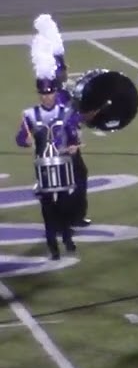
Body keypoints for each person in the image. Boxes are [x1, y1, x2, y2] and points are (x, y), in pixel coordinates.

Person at [17, 35, 80, 260]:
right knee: (47, 209)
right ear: (39, 94)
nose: (47, 97)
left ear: (55, 92)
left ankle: (67, 238)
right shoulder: (30, 114)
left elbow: (72, 134)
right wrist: (25, 140)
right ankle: (52, 245)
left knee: (63, 205)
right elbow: (21, 136)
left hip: (62, 164)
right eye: (43, 93)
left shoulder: (65, 112)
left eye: (50, 92)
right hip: (43, 166)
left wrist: (73, 146)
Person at [33, 15, 90, 227]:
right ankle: (68, 219)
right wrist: (87, 116)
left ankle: (71, 217)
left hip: (66, 144)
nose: (67, 71)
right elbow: (66, 119)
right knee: (66, 181)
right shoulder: (58, 94)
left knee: (69, 180)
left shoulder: (59, 91)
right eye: (64, 69)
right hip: (61, 147)